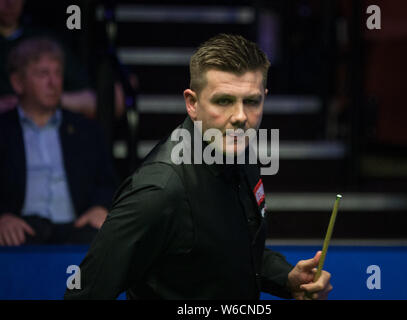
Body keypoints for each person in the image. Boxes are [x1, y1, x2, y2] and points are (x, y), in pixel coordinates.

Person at [64, 34, 332, 300]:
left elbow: (230, 250)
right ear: (192, 103)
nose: (240, 117)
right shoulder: (158, 191)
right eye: (223, 101)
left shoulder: (238, 147)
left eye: (251, 101)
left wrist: (286, 277)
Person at [0, 37, 117, 246]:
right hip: (20, 230)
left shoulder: (87, 131)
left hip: (77, 228)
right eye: (43, 74)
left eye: (57, 73)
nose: (53, 83)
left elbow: (108, 182)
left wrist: (101, 207)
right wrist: (2, 217)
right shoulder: (4, 129)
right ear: (18, 82)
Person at [0, 0, 125, 118]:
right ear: (16, 82)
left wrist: (42, 101)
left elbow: (103, 102)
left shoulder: (43, 41)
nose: (10, 3)